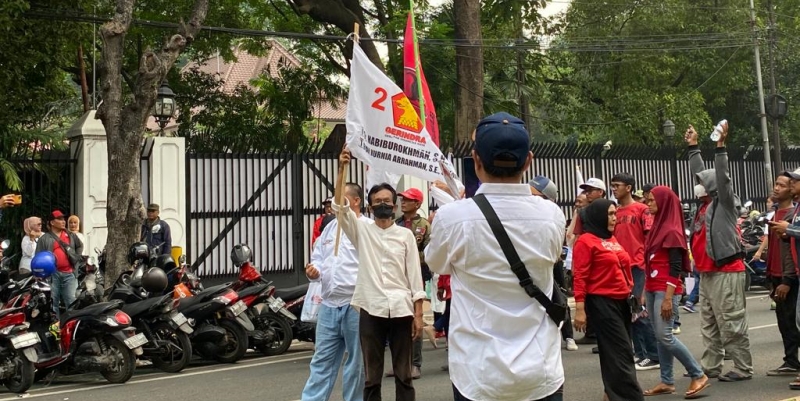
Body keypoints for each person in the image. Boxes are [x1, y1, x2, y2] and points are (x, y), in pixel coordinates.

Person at [427, 112, 565, 401]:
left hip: (478, 374)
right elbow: (553, 259)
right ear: (529, 161)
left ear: (475, 159)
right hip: (540, 371)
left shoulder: (452, 217)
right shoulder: (552, 215)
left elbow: (436, 263)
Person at [333, 149, 426, 401]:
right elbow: (340, 207)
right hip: (370, 309)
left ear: (394, 206)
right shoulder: (361, 231)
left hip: (401, 310)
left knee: (404, 375)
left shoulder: (405, 235)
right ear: (370, 206)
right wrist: (341, 169)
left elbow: (415, 278)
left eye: (387, 200)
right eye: (378, 201)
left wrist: (418, 315)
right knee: (371, 377)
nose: (383, 204)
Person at [685, 123, 754, 381]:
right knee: (710, 323)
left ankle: (743, 367)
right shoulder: (702, 206)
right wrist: (693, 147)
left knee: (731, 322)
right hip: (707, 273)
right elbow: (702, 172)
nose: (698, 184)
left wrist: (720, 147)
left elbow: (721, 177)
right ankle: (711, 366)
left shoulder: (723, 203)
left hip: (726, 271)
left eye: (702, 182)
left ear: (711, 187)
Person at [641, 186, 710, 398]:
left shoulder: (671, 230)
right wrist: (645, 289)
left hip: (665, 289)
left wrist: (669, 298)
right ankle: (667, 381)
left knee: (665, 335)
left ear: (664, 202)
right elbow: (650, 261)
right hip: (653, 287)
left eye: (652, 200)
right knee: (660, 336)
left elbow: (675, 267)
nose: (649, 204)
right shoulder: (657, 227)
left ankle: (698, 374)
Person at [301, 183, 367, 401]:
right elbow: (318, 260)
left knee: (355, 363)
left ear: (355, 201)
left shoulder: (366, 228)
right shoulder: (328, 229)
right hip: (329, 304)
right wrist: (313, 271)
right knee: (321, 362)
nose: (334, 205)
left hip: (355, 304)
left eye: (341, 198)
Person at [572, 199, 643, 401]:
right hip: (602, 303)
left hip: (622, 302)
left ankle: (610, 394)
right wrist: (580, 309)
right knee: (621, 354)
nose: (615, 219)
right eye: (611, 214)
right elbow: (580, 276)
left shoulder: (611, 239)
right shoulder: (586, 241)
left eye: (615, 214)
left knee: (618, 352)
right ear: (599, 216)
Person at [609, 173, 660, 371]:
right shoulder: (614, 212)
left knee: (640, 311)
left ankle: (653, 355)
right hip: (619, 267)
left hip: (638, 266)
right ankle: (640, 354)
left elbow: (650, 240)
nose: (614, 189)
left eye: (617, 185)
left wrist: (649, 269)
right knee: (630, 313)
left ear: (628, 187)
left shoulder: (642, 210)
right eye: (612, 185)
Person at [531, 175, 578, 352]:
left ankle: (568, 336)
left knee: (560, 298)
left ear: (547, 197)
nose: (530, 198)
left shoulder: (553, 214)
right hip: (532, 263)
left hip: (552, 262)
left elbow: (558, 243)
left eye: (535, 195)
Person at [391, 187, 434, 379]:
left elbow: (431, 251)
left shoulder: (424, 225)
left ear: (417, 204)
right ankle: (399, 363)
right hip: (396, 278)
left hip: (416, 278)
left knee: (414, 320)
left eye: (408, 200)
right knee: (395, 321)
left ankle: (415, 364)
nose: (403, 202)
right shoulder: (395, 224)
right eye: (402, 199)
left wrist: (411, 256)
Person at [766, 171, 800, 382]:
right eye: (776, 184)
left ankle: (792, 362)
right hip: (776, 274)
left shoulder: (792, 215)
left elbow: (790, 250)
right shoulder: (777, 212)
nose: (776, 188)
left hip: (790, 276)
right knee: (785, 321)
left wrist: (787, 280)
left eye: (783, 184)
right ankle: (791, 361)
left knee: (793, 321)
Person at [36, 210, 84, 318]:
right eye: (60, 219)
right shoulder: (44, 239)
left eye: (63, 219)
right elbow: (38, 257)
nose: (63, 221)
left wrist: (76, 257)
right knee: (53, 303)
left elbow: (80, 245)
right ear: (52, 222)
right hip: (52, 275)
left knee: (72, 302)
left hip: (70, 274)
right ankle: (55, 328)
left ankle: (70, 328)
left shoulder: (70, 235)